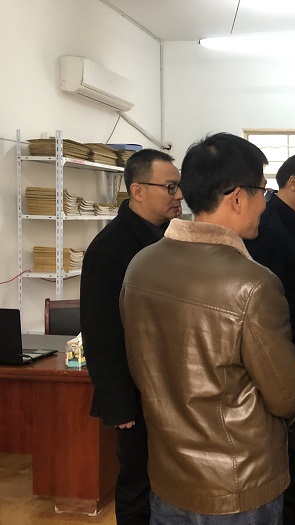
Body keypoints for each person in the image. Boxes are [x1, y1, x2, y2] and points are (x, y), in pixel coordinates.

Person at [120, 132, 295, 525]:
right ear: (237, 197)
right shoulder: (253, 283)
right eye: (262, 191)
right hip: (238, 485)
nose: (266, 203)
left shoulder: (140, 266)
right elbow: (288, 397)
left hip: (168, 475)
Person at [80, 148, 183, 525]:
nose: (179, 195)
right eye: (169, 187)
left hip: (171, 386)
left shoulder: (171, 237)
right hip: (137, 395)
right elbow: (101, 332)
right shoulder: (111, 248)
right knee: (138, 483)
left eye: (179, 186)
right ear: (137, 191)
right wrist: (119, 403)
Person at [244, 151, 295, 525]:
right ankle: (291, 507)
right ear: (293, 182)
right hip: (278, 346)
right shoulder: (267, 225)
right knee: (283, 441)